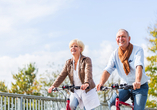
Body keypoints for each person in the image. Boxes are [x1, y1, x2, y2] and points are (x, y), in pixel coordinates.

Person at [96, 29, 149, 110]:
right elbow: (108, 69)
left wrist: (137, 81)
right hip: (125, 86)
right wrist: (101, 83)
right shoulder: (115, 54)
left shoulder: (137, 50)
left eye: (123, 36)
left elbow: (138, 65)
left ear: (129, 38)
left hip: (140, 86)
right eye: (118, 37)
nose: (120, 39)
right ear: (116, 39)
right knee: (112, 103)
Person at [48, 39, 100, 110]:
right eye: (71, 46)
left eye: (76, 46)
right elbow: (62, 75)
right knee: (71, 105)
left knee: (87, 108)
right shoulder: (68, 63)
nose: (73, 48)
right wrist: (53, 86)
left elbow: (88, 72)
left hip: (87, 90)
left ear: (80, 49)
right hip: (76, 90)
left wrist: (86, 83)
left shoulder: (86, 60)